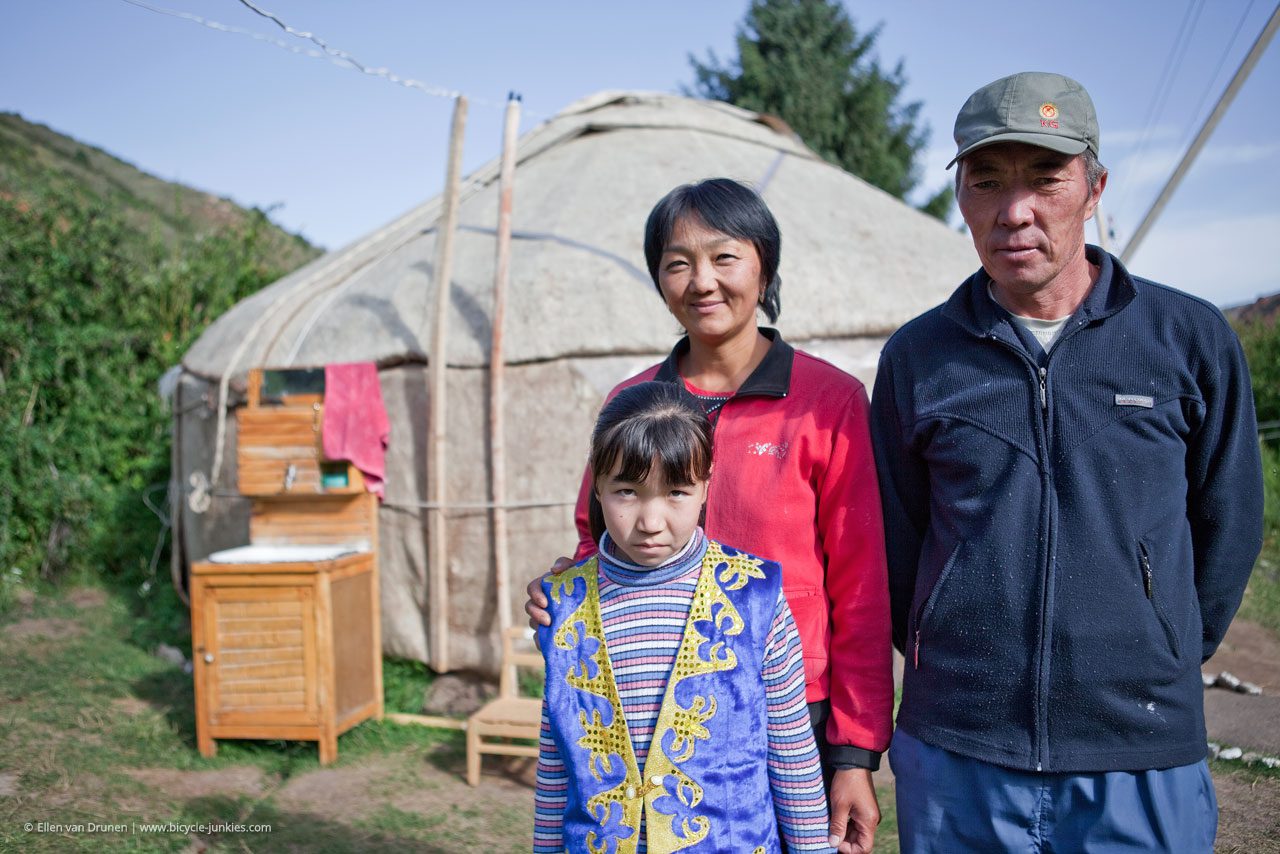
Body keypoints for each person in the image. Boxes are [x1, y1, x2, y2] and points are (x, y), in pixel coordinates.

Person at [870, 71, 1265, 853]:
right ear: (961, 198)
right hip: (959, 746)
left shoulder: (1187, 340)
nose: (1014, 210)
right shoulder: (919, 356)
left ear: (1094, 187)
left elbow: (1229, 525)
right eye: (986, 182)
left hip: (1138, 750)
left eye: (1046, 179)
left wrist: (1155, 642)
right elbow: (896, 537)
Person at [526, 178, 892, 853]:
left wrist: (854, 755)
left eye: (724, 257)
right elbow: (594, 535)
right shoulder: (633, 402)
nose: (701, 281)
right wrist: (564, 593)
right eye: (676, 262)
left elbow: (863, 586)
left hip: (792, 706)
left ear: (765, 265)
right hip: (648, 700)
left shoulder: (826, 401)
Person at [532, 381, 832, 853]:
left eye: (676, 492)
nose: (651, 521)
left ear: (707, 483)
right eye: (627, 492)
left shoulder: (754, 598)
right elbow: (556, 763)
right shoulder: (563, 605)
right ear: (597, 485)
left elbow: (792, 753)